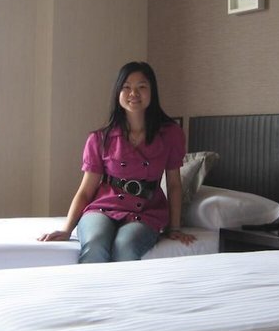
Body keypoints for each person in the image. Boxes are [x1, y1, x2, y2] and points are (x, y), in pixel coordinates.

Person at [38, 61, 195, 262]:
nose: (133, 93)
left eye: (141, 87)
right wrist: (66, 229)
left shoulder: (170, 134)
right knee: (95, 243)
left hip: (146, 212)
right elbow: (86, 190)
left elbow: (173, 184)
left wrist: (175, 228)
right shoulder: (100, 139)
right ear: (118, 93)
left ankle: (123, 285)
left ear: (152, 91)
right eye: (126, 87)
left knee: (125, 245)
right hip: (103, 207)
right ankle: (91, 284)